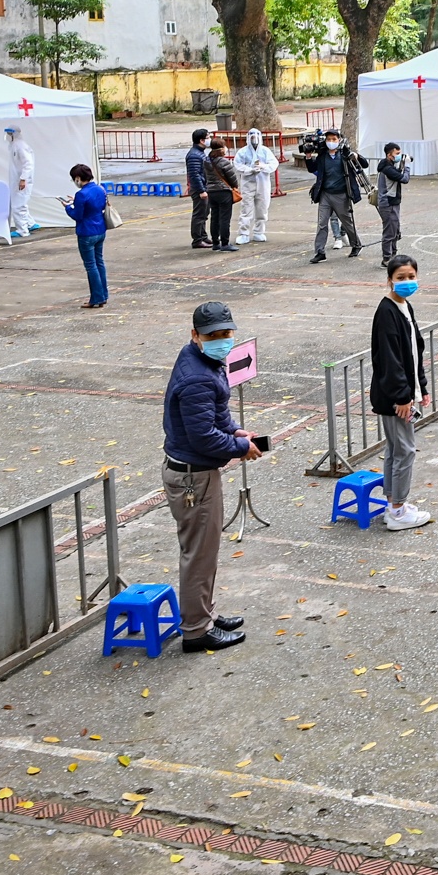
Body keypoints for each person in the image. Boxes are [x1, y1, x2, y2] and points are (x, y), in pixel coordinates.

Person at [162, 300, 265, 651]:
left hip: (197, 472)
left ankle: (203, 612)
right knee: (199, 556)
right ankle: (196, 630)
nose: (222, 340)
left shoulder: (202, 360)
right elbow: (203, 436)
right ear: (195, 336)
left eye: (226, 334)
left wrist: (236, 432)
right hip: (194, 477)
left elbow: (216, 415)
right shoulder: (197, 379)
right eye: (214, 335)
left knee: (203, 553)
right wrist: (239, 448)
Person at [370, 256, 436, 530]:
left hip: (405, 392)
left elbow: (413, 351)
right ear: (390, 280)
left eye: (411, 276)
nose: (407, 282)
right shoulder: (386, 312)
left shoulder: (404, 306)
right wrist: (403, 397)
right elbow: (390, 359)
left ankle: (393, 502)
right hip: (394, 396)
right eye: (401, 277)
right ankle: (397, 509)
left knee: (395, 448)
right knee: (405, 450)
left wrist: (422, 386)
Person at [305, 127, 366, 263]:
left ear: (339, 140)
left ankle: (356, 244)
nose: (331, 142)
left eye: (334, 139)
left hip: (341, 195)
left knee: (347, 222)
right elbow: (312, 168)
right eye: (328, 139)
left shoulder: (345, 155)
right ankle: (319, 252)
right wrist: (308, 156)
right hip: (325, 194)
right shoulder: (322, 156)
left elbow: (364, 165)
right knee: (322, 224)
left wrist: (356, 156)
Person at [62, 164, 110, 309]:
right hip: (100, 229)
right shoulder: (100, 189)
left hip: (86, 232)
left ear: (78, 178)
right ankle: (103, 294)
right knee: (99, 262)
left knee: (91, 266)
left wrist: (68, 207)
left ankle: (96, 297)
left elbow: (77, 215)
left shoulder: (81, 194)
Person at [237, 127, 277, 242]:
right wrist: (249, 170)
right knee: (246, 208)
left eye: (256, 134)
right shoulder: (243, 152)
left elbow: (274, 164)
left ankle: (259, 231)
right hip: (248, 184)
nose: (254, 137)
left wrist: (263, 167)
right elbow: (238, 164)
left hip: (263, 183)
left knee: (262, 208)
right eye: (251, 134)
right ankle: (243, 233)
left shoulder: (265, 151)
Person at [377, 142, 410, 261]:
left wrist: (401, 163)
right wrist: (406, 166)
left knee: (395, 230)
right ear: (389, 155)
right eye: (397, 154)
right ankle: (387, 258)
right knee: (389, 232)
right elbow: (404, 179)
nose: (399, 156)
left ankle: (393, 255)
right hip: (388, 203)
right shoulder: (387, 169)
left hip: (392, 202)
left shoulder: (389, 166)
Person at [208, 141, 241, 252]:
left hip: (211, 191)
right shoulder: (224, 162)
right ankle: (225, 243)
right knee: (224, 218)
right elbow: (232, 177)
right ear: (222, 149)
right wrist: (235, 186)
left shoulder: (207, 161)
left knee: (215, 217)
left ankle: (215, 242)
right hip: (223, 191)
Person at [5, 125, 37, 237]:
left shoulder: (20, 146)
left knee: (18, 205)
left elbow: (28, 164)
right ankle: (30, 223)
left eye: (9, 134)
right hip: (18, 179)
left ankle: (22, 230)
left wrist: (23, 179)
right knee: (20, 202)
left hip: (21, 180)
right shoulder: (15, 145)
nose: (7, 136)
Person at [186, 129, 213, 249]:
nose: (209, 139)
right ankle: (197, 239)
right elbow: (194, 175)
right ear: (201, 140)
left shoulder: (200, 153)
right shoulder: (194, 155)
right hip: (199, 189)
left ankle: (203, 236)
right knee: (199, 214)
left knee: (204, 213)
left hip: (204, 187)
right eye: (207, 137)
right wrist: (201, 190)